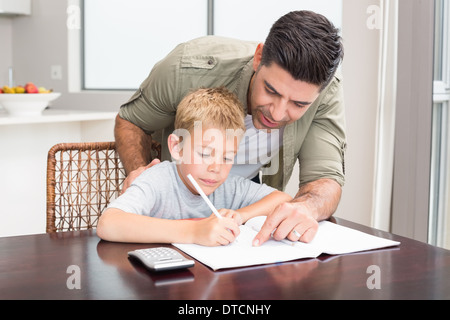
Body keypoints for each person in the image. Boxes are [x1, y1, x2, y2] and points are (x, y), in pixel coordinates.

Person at [114, 10, 346, 245]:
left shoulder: (326, 93)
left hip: (243, 205)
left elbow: (325, 179)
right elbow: (132, 121)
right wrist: (141, 172)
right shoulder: (186, 67)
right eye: (271, 91)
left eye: (298, 104)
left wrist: (305, 207)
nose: (276, 114)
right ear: (258, 57)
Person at [97, 87, 292, 246]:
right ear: (177, 147)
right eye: (205, 154)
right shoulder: (157, 180)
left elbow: (283, 200)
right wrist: (194, 232)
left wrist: (241, 215)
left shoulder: (228, 186)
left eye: (227, 157)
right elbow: (108, 223)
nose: (216, 167)